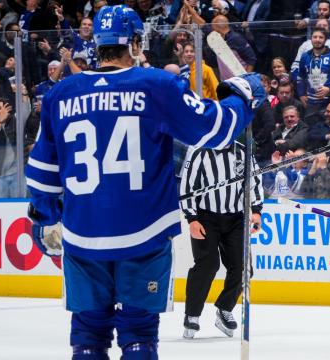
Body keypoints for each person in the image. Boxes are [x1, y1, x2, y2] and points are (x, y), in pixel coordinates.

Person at [24, 5, 264, 358]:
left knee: (87, 336)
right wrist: (244, 97)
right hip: (144, 235)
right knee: (138, 334)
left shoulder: (62, 94)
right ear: (135, 43)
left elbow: (42, 173)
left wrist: (43, 219)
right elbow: (216, 131)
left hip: (82, 235)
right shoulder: (156, 85)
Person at [179, 142, 264, 339]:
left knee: (244, 268)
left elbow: (254, 181)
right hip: (205, 217)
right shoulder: (200, 152)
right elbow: (187, 185)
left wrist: (257, 211)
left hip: (236, 218)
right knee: (208, 265)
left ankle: (225, 308)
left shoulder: (244, 152)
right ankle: (192, 315)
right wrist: (192, 218)